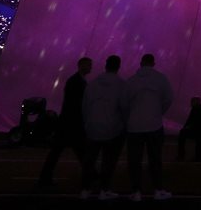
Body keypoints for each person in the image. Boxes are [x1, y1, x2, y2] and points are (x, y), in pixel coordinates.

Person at [125, 53, 174, 201]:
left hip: (134, 126)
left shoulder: (132, 81)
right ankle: (158, 189)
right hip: (154, 125)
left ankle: (136, 191)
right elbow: (168, 99)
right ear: (153, 63)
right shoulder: (161, 79)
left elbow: (124, 102)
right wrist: (158, 112)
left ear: (140, 63)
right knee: (155, 159)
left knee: (134, 160)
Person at [38, 56, 92, 189]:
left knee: (59, 152)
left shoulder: (76, 81)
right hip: (72, 123)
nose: (90, 67)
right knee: (79, 151)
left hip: (67, 122)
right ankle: (92, 176)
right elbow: (75, 104)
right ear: (81, 65)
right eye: (88, 65)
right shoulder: (77, 82)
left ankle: (45, 178)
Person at [82, 54, 126, 200]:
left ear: (105, 65)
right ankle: (104, 189)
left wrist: (87, 122)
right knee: (108, 161)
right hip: (112, 129)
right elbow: (124, 107)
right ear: (118, 66)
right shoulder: (121, 84)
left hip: (93, 127)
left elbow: (85, 105)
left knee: (90, 160)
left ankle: (86, 189)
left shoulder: (94, 83)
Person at [177, 97, 201, 162]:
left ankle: (181, 155)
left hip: (199, 131)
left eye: (192, 101)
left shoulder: (196, 109)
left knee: (182, 134)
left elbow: (191, 120)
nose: (191, 103)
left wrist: (185, 127)